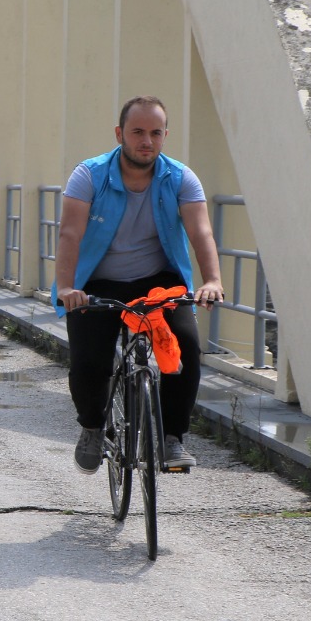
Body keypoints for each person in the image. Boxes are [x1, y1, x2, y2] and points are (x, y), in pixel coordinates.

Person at [53, 95, 224, 474]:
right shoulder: (89, 175)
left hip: (158, 284)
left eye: (155, 133)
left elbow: (201, 231)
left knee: (186, 348)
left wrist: (212, 280)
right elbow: (70, 233)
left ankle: (171, 438)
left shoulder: (180, 177)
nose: (146, 141)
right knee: (88, 360)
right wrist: (67, 288)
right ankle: (93, 428)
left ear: (165, 136)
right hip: (98, 280)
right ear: (120, 134)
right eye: (137, 132)